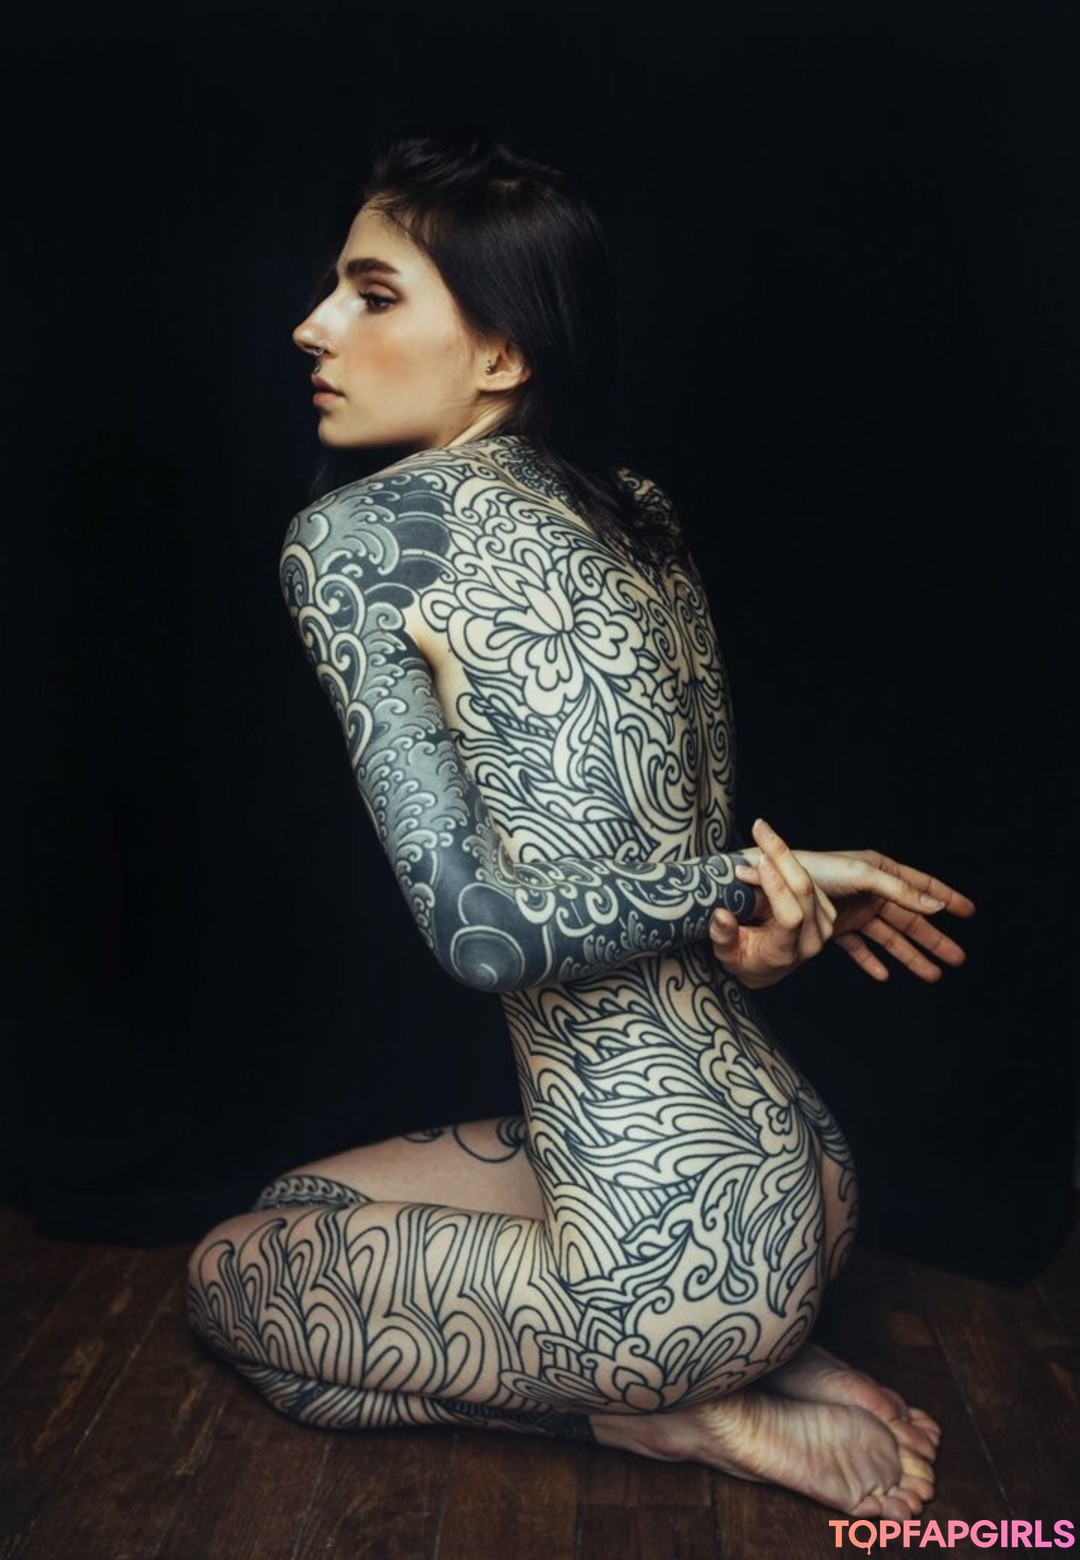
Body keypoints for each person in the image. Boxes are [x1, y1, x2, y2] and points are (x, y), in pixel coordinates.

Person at [187, 131, 975, 1520]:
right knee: (304, 1206)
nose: (312, 325)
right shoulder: (640, 511)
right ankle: (727, 1365)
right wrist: (756, 908)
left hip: (665, 1269)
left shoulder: (361, 541)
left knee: (224, 1286)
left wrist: (741, 882)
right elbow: (656, 856)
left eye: (373, 294)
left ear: (501, 354)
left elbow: (483, 936)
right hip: (800, 1174)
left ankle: (667, 1413)